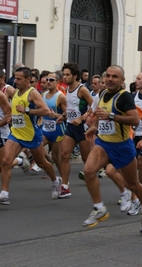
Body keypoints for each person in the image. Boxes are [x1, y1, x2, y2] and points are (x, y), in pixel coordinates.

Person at [82, 65, 142, 232]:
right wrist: (95, 126)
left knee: (133, 185)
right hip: (104, 143)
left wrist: (111, 116)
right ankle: (99, 208)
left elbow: (135, 120)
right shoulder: (102, 94)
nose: (110, 79)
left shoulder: (125, 97)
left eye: (115, 77)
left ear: (122, 81)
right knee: (88, 170)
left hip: (122, 146)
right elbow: (101, 114)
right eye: (108, 76)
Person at [0, 67, 63, 204]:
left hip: (31, 135)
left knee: (42, 163)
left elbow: (46, 111)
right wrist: (12, 117)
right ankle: (4, 193)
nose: (15, 81)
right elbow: (14, 111)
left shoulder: (32, 93)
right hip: (16, 134)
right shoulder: (16, 93)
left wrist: (27, 110)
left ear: (28, 80)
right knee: (5, 161)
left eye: (19, 79)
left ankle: (55, 180)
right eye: (15, 78)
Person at [58, 62, 93, 196]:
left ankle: (93, 177)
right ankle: (65, 186)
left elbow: (94, 106)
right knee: (64, 155)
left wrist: (82, 118)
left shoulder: (82, 89)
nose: (64, 77)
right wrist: (63, 115)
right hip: (70, 127)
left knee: (86, 160)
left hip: (82, 129)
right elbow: (72, 108)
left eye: (67, 75)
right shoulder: (66, 90)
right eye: (64, 75)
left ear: (75, 76)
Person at [42, 72, 67, 181]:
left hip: (57, 130)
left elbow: (67, 114)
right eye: (47, 80)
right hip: (45, 129)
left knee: (57, 157)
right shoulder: (43, 95)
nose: (48, 82)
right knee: (36, 147)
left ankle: (64, 179)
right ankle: (48, 161)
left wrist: (57, 115)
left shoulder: (61, 97)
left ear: (57, 82)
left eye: (51, 80)